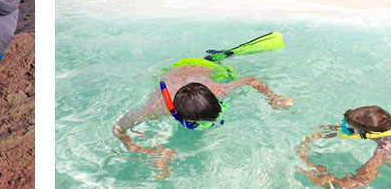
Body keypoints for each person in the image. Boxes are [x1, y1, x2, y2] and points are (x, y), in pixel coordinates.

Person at [114, 58, 294, 179]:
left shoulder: (219, 89)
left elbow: (251, 80)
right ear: (180, 116)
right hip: (172, 70)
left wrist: (273, 97)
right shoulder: (155, 108)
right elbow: (118, 128)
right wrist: (136, 147)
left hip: (205, 68)